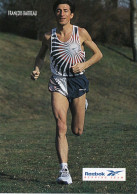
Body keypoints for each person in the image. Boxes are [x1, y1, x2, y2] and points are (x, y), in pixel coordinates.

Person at [31, 0, 103, 185]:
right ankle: (64, 170)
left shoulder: (81, 33)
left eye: (65, 10)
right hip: (58, 82)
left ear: (71, 15)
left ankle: (82, 105)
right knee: (61, 125)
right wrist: (37, 69)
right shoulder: (49, 36)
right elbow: (40, 56)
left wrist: (84, 65)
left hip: (78, 81)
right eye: (58, 10)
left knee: (77, 130)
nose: (62, 13)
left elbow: (98, 54)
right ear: (55, 14)